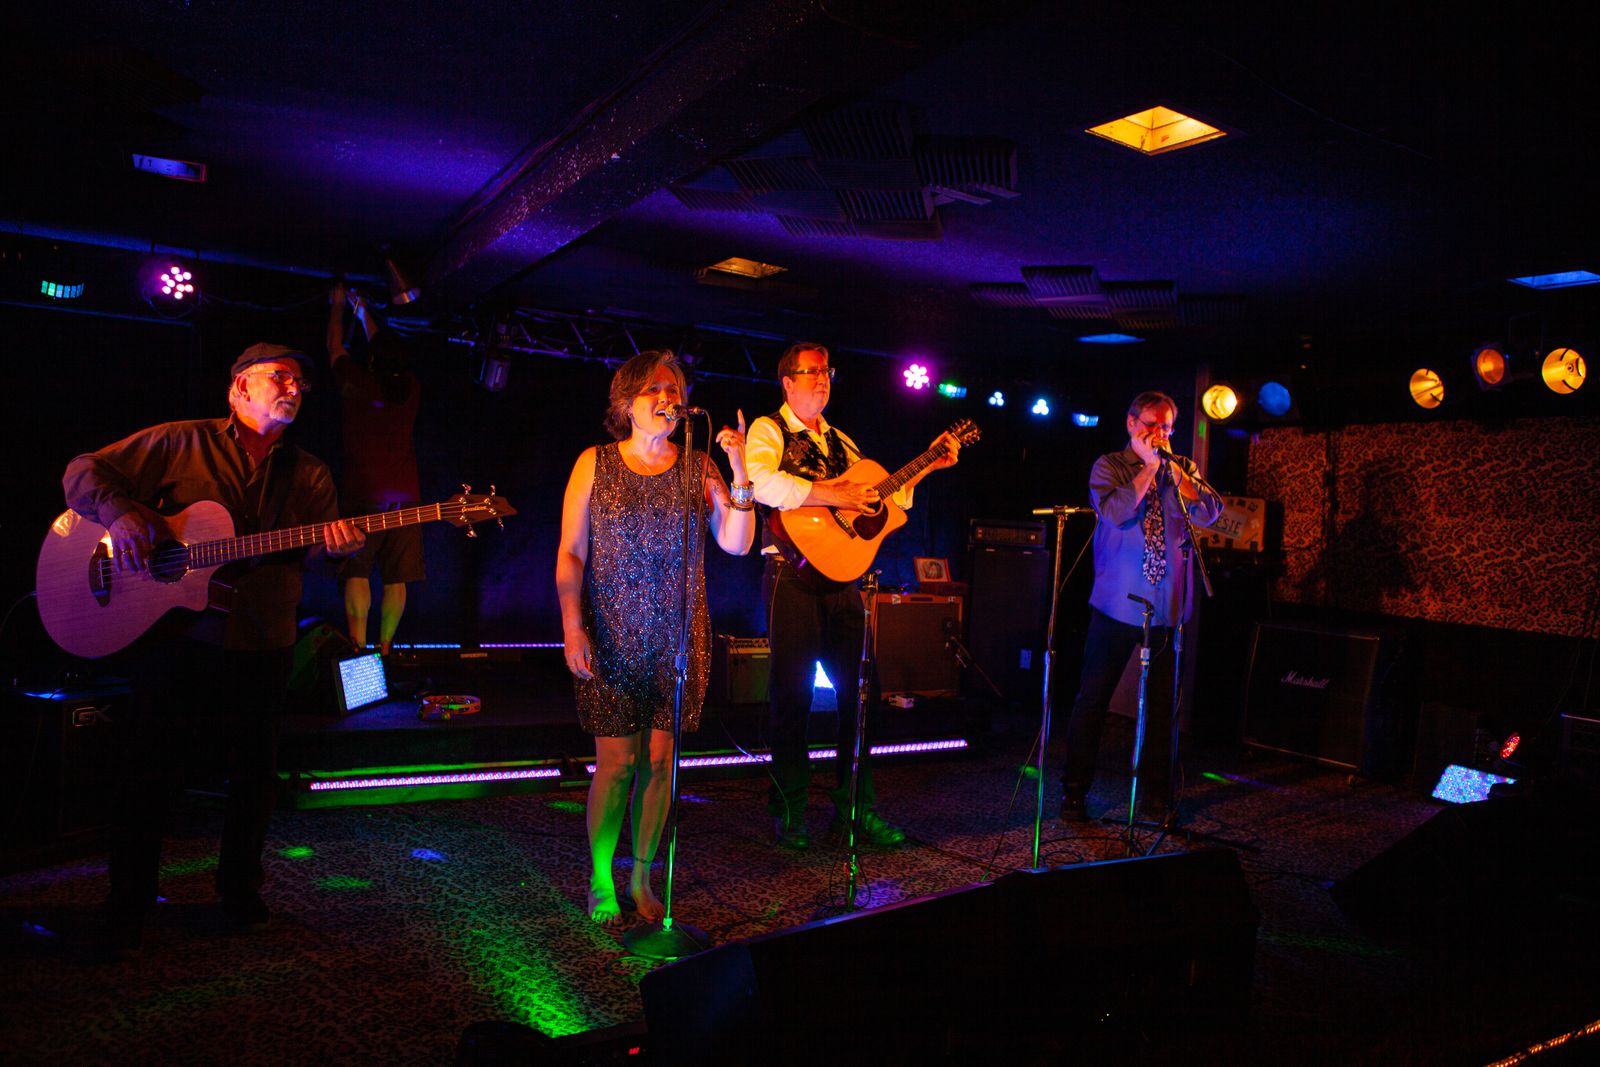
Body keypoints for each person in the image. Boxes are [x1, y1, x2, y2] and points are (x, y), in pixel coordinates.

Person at [62, 344, 365, 949]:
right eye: (280, 377)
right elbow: (82, 471)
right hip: (176, 636)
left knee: (254, 776)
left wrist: (335, 550)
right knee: (149, 769)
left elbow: (312, 557)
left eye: (300, 383)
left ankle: (240, 894)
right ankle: (127, 903)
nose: (294, 388)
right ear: (239, 388)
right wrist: (120, 514)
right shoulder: (181, 441)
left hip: (263, 634)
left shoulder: (310, 473)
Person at [555, 350, 754, 925]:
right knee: (616, 764)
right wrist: (571, 624)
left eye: (675, 390)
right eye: (654, 389)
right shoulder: (594, 462)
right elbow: (571, 551)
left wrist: (739, 472)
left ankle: (641, 877)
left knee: (661, 761)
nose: (667, 398)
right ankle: (600, 877)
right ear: (627, 401)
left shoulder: (699, 466)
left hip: (678, 634)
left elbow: (737, 542)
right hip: (612, 631)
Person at [746, 342, 960, 850]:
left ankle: (856, 810)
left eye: (827, 371)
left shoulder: (842, 441)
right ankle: (790, 812)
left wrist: (928, 464)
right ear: (787, 382)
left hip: (843, 582)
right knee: (792, 698)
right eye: (812, 372)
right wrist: (832, 494)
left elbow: (881, 496)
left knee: (863, 698)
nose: (823, 379)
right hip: (791, 577)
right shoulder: (767, 430)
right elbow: (762, 484)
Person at [1059, 390, 1222, 828]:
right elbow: (1115, 513)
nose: (1159, 433)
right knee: (1093, 699)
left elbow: (1211, 512)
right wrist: (1148, 468)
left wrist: (1176, 474)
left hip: (1166, 610)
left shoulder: (1182, 468)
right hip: (1115, 606)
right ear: (1132, 423)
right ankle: (1074, 792)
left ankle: (1156, 796)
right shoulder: (1110, 465)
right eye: (1151, 424)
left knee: (1162, 709)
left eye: (1166, 426)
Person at [327, 280, 424, 656]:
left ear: (371, 360)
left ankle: (358, 645)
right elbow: (387, 353)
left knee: (357, 570)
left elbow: (334, 347)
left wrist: (340, 306)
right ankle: (385, 649)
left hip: (365, 494)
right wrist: (365, 312)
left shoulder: (358, 384)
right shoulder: (410, 389)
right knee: (397, 577)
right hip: (408, 498)